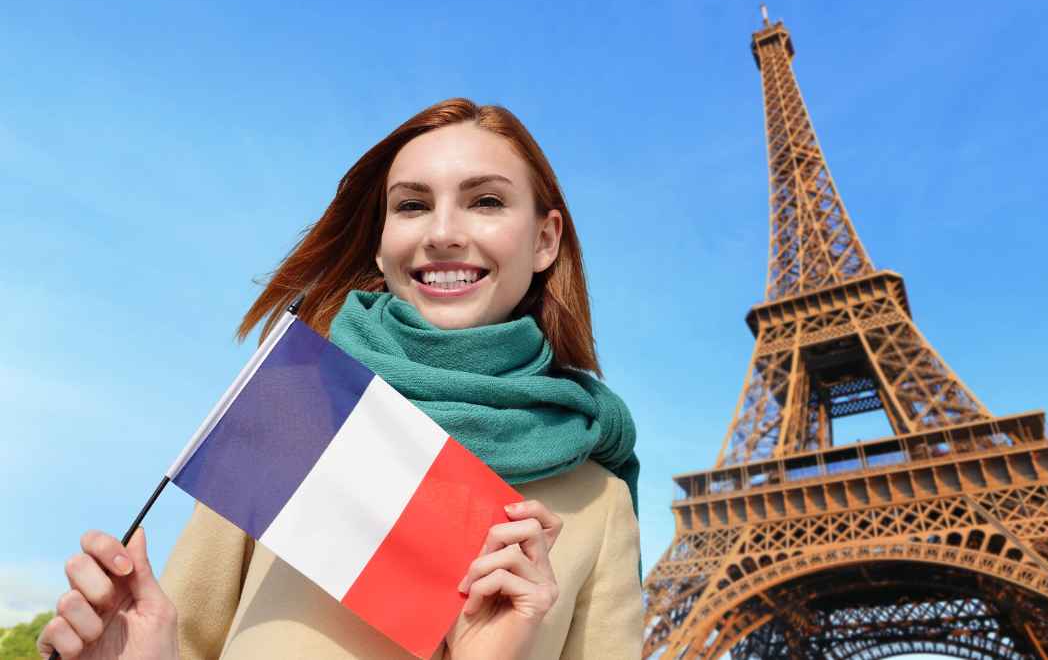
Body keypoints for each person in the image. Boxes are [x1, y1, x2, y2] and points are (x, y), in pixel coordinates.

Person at [38, 97, 644, 659]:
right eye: (411, 205)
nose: (442, 233)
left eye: (485, 202)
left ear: (545, 240)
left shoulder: (597, 501)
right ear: (380, 245)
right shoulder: (291, 418)